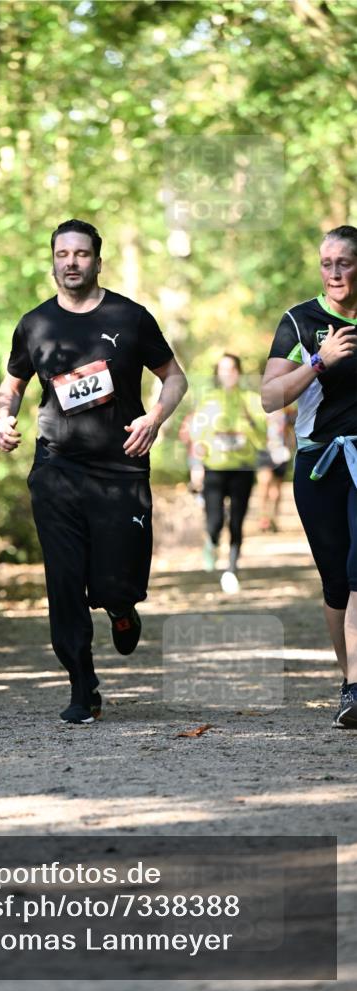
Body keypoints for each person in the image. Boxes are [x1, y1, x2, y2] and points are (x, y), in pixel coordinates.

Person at [0, 219, 188, 724]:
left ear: (98, 261)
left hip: (121, 470)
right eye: (63, 254)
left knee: (114, 584)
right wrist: (2, 418)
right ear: (53, 260)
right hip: (56, 468)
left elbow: (174, 377)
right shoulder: (34, 324)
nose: (72, 262)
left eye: (82, 254)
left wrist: (156, 417)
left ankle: (121, 608)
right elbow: (12, 383)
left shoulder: (130, 316)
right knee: (63, 581)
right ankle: (83, 685)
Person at [262, 224, 357, 729]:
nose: (336, 272)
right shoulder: (300, 322)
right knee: (337, 580)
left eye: (345, 262)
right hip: (321, 464)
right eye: (327, 264)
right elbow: (270, 398)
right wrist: (320, 362)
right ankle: (350, 683)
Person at [188, 354, 266, 594]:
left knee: (237, 520)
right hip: (214, 469)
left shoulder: (251, 400)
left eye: (231, 369)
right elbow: (197, 437)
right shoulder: (208, 400)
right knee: (214, 522)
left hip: (242, 468)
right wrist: (196, 466)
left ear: (239, 371)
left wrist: (245, 436)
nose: (227, 373)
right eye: (222, 369)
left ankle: (231, 568)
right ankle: (211, 543)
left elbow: (263, 436)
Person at [256, 406, 295, 533]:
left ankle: (273, 518)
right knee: (264, 482)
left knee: (276, 489)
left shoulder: (288, 411)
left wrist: (290, 447)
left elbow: (291, 431)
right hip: (264, 451)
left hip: (281, 452)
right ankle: (263, 517)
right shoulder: (258, 410)